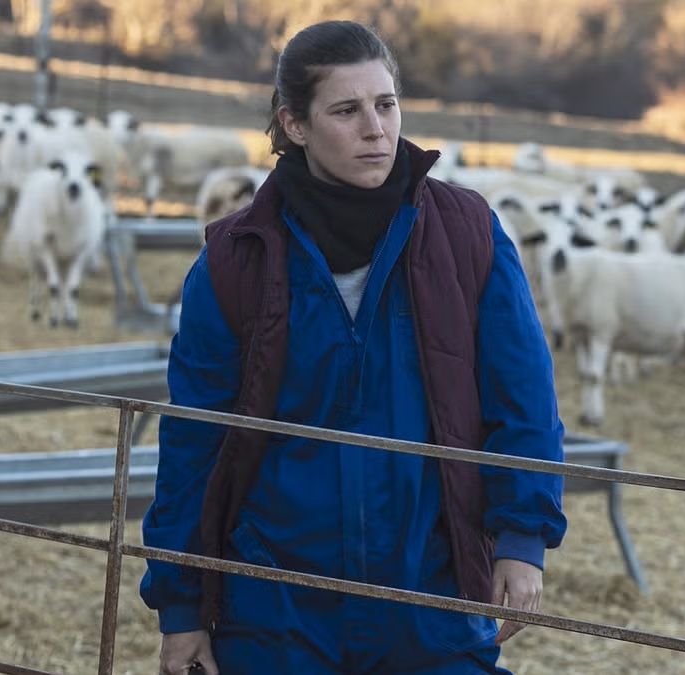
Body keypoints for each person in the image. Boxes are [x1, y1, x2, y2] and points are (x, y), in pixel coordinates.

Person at [140, 20, 567, 675]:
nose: (376, 129)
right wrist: (182, 607)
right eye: (346, 110)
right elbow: (194, 442)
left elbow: (524, 397)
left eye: (386, 104)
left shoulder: (466, 234)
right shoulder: (237, 259)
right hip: (277, 604)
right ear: (295, 125)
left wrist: (522, 538)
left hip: (429, 598)